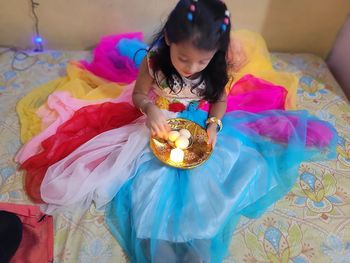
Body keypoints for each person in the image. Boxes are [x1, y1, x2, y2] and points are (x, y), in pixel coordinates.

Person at [36, 0, 337, 262]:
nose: (191, 67)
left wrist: (214, 125)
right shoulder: (154, 62)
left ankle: (192, 240)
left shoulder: (218, 67)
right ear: (168, 39)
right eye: (183, 58)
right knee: (147, 181)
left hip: (199, 124)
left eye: (202, 61)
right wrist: (150, 109)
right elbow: (139, 95)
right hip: (160, 118)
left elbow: (219, 100)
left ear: (215, 53)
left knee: (215, 182)